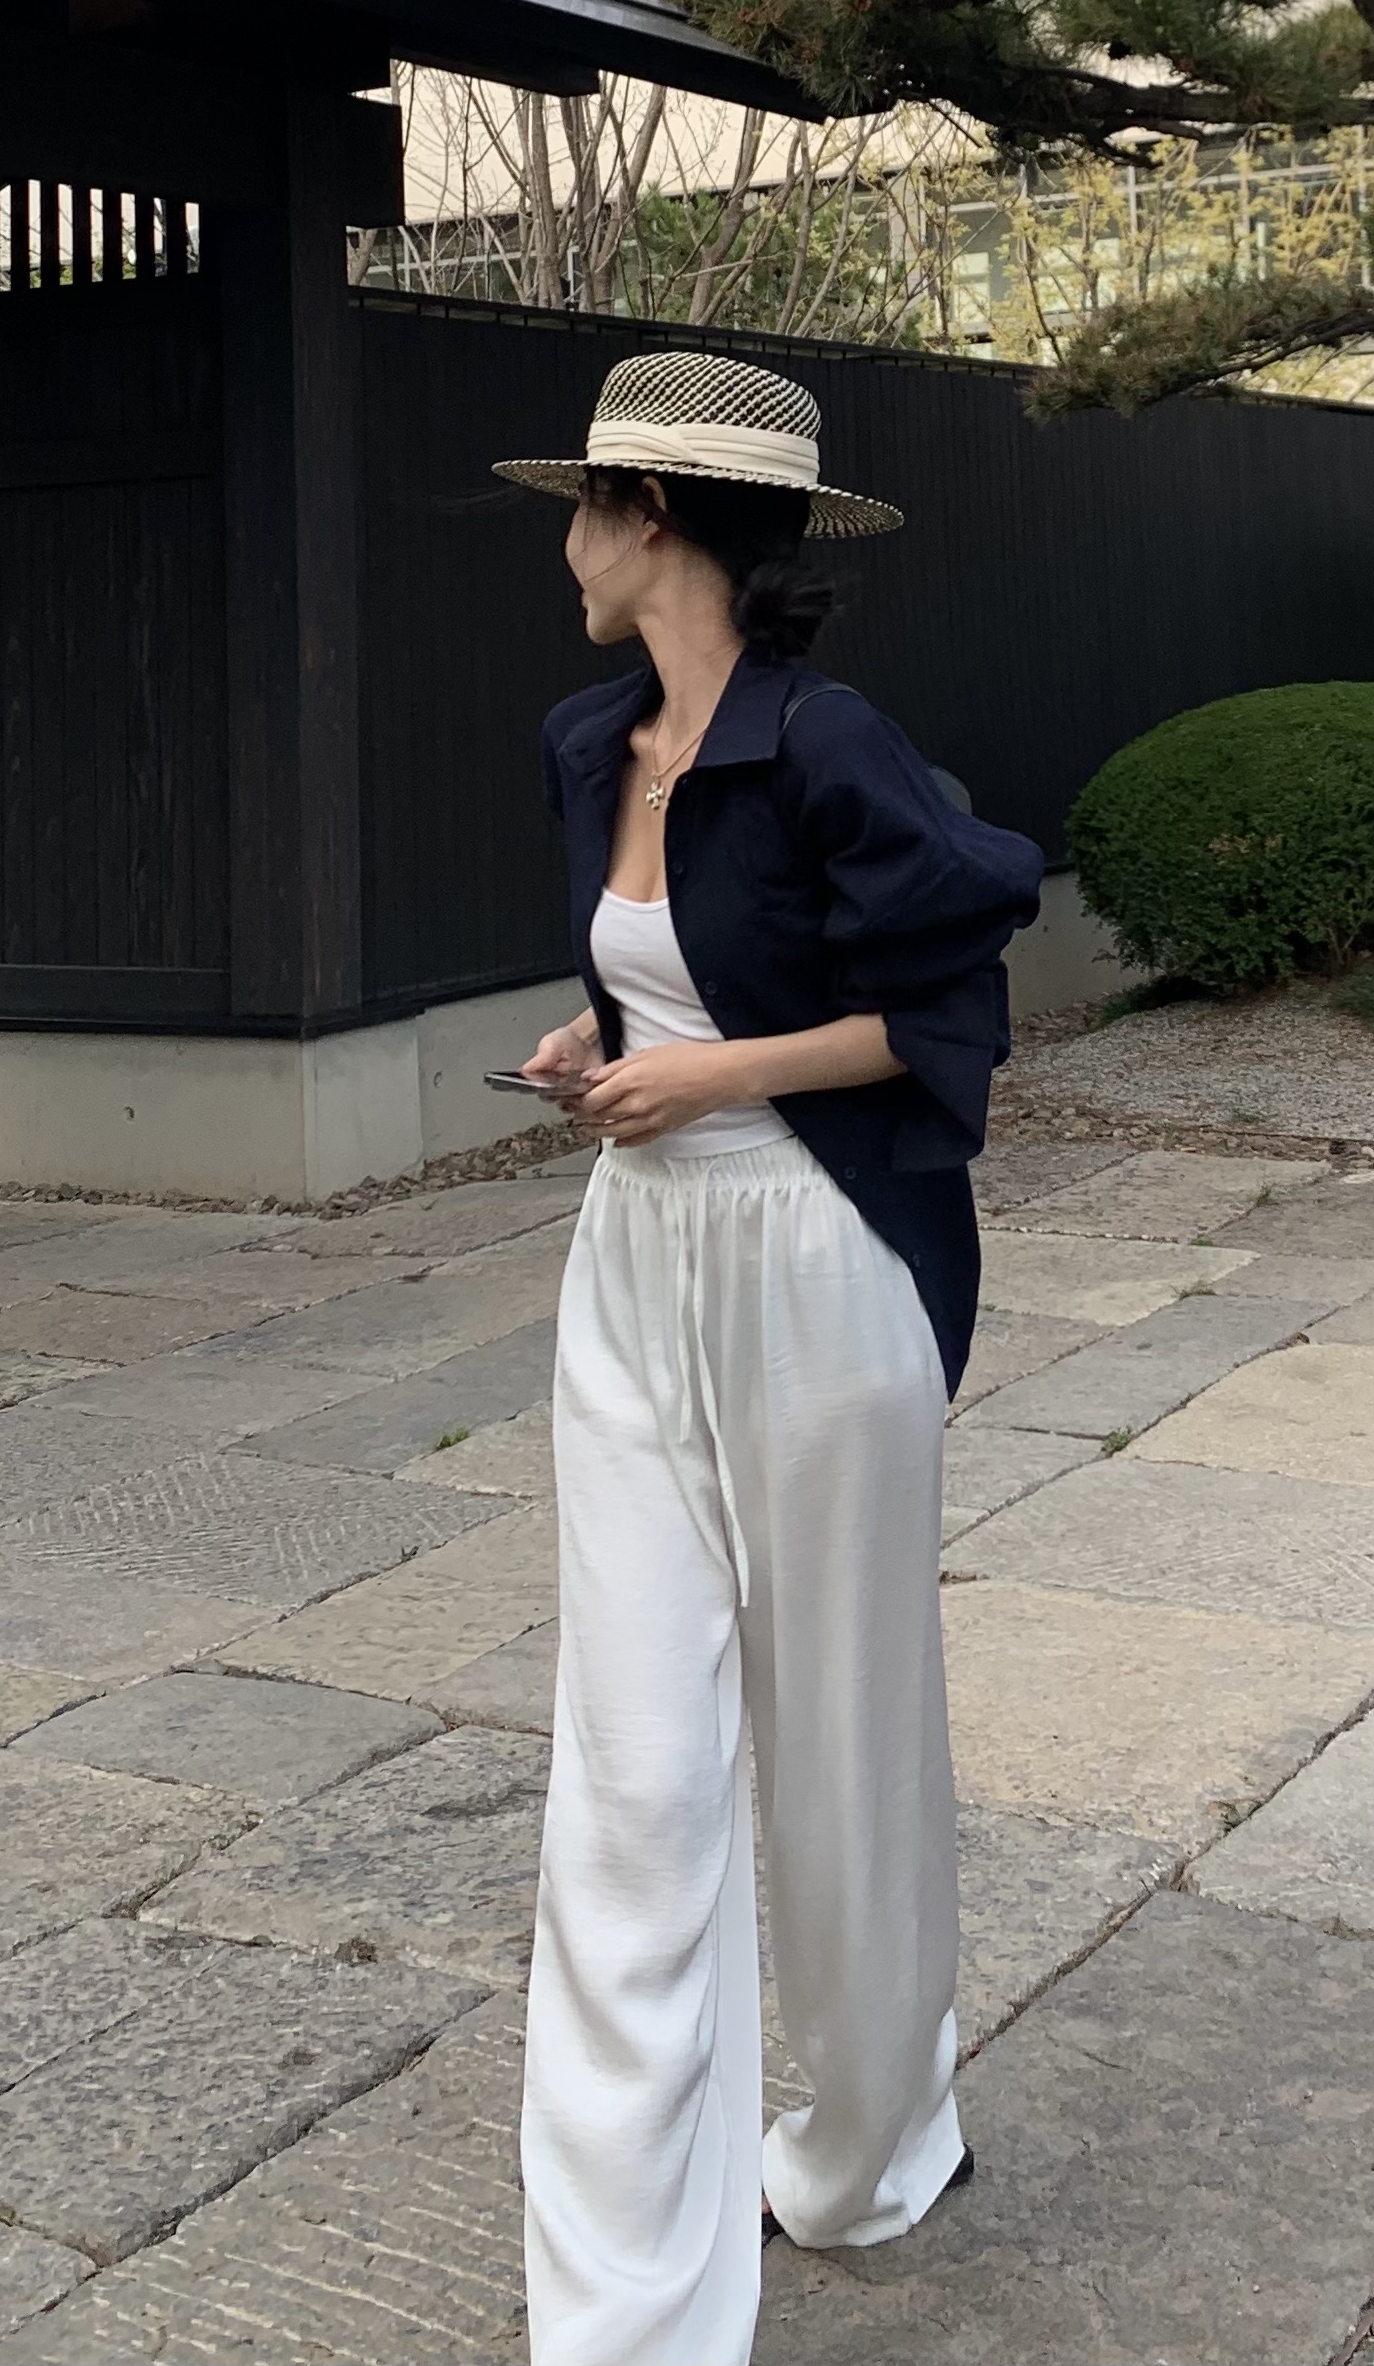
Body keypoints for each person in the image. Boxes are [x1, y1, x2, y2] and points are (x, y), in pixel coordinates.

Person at [493, 349, 1043, 2366]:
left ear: (648, 518)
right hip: (633, 1271)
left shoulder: (828, 742)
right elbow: (682, 965)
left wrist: (716, 1075)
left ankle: (873, 2142)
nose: (562, 546)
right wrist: (607, 1040)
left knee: (841, 1746)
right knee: (631, 1766)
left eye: (581, 508)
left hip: (818, 1267)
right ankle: (623, 2298)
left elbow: (944, 1009)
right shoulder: (596, 739)